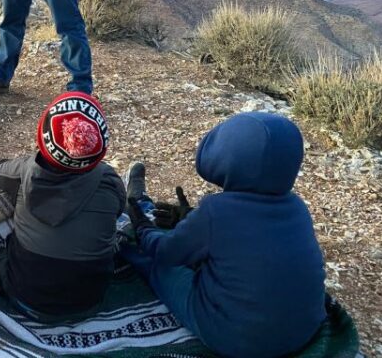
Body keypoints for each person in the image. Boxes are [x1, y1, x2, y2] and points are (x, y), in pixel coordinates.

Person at [124, 112, 327, 357]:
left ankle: (129, 228)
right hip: (303, 332)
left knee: (163, 268)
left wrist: (144, 230)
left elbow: (167, 254)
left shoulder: (216, 211)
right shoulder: (297, 208)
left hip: (236, 339)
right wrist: (189, 219)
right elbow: (248, 241)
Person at [0, 91, 125, 320]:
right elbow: (119, 212)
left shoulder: (26, 171)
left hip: (24, 299)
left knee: (5, 219)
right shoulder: (109, 180)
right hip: (88, 302)